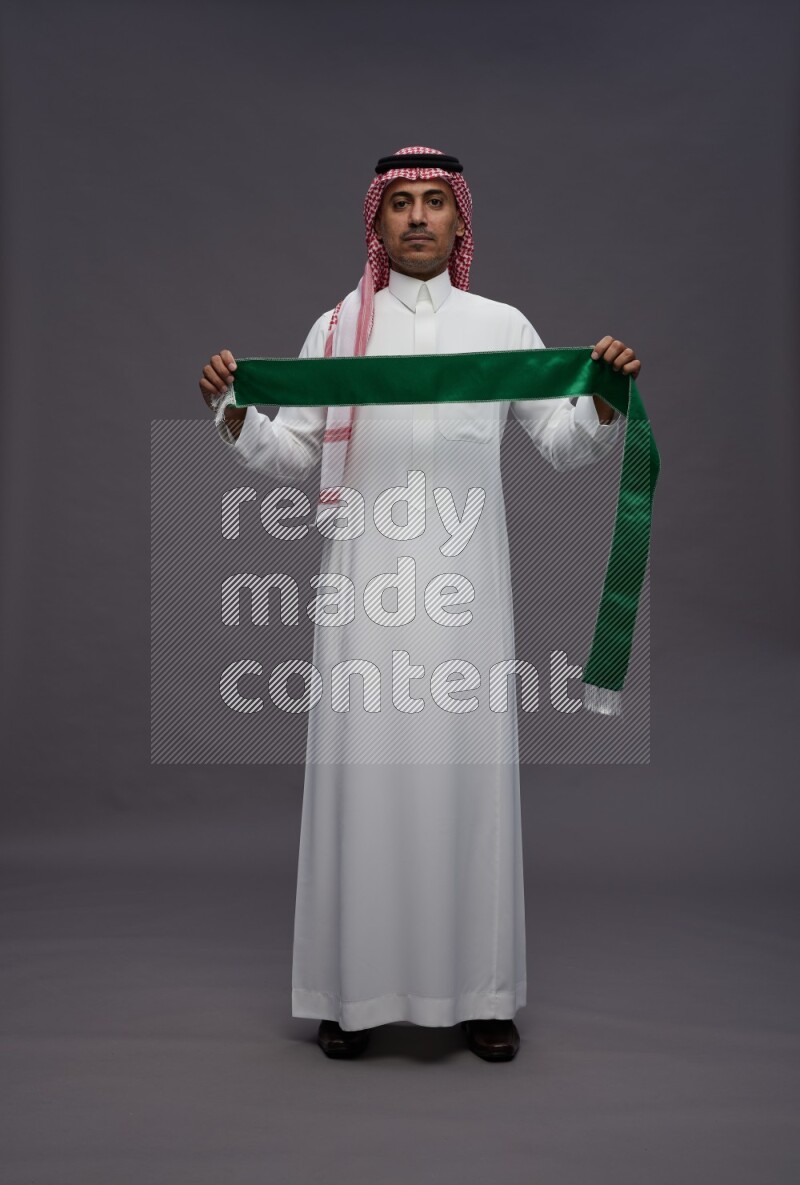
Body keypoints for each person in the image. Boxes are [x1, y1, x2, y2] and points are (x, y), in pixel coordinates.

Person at [199, 147, 641, 1062]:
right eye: (400, 203)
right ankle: (349, 994)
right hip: (363, 592)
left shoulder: (502, 325)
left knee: (467, 782)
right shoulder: (339, 328)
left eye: (434, 202)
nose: (416, 218)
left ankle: (481, 995)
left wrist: (602, 394)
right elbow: (293, 458)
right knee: (362, 781)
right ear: (378, 220)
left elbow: (562, 445)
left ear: (459, 220)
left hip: (469, 594)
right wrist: (237, 416)